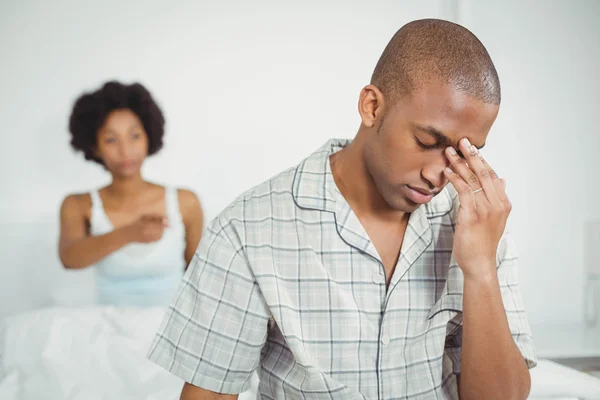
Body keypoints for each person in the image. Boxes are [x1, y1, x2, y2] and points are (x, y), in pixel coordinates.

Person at [147, 19, 537, 399]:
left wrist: (481, 267)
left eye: (463, 154)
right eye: (426, 140)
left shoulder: (477, 222)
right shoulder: (248, 230)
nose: (439, 174)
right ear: (371, 106)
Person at [58, 81, 203, 307]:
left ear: (148, 137)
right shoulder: (78, 205)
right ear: (94, 146)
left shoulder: (185, 202)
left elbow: (200, 274)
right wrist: (130, 233)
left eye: (134, 136)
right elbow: (69, 258)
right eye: (111, 139)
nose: (125, 150)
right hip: (107, 328)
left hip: (171, 325)